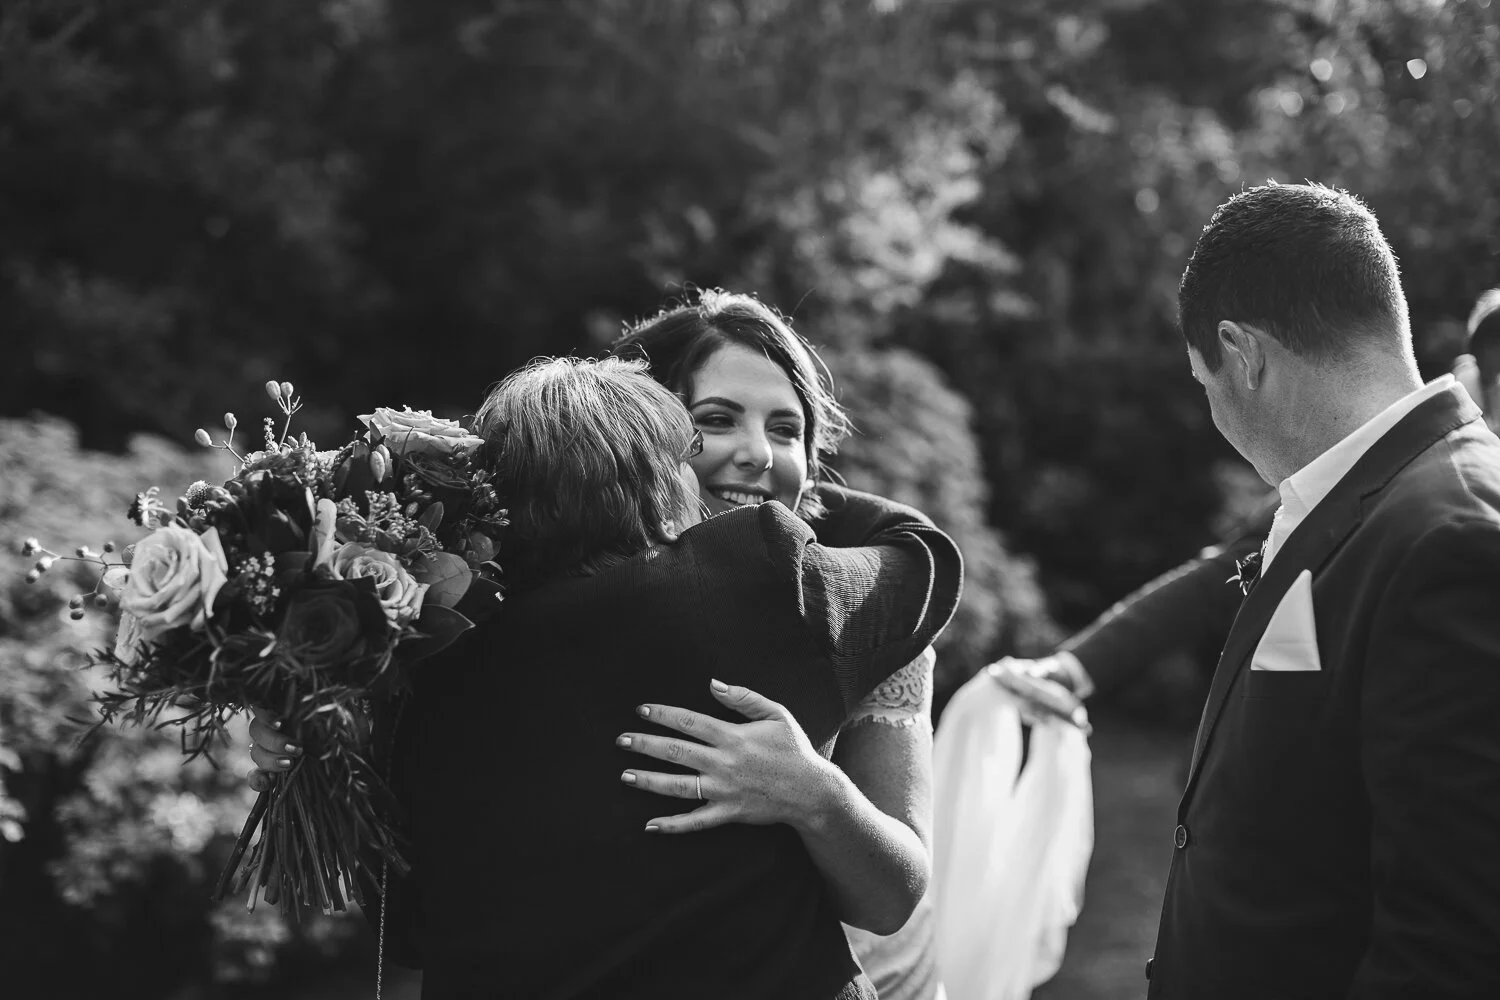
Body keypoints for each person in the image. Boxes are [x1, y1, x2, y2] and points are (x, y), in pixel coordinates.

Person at [252, 356, 962, 999]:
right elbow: (922, 555)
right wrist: (787, 481)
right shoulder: (754, 572)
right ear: (655, 474)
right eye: (696, 442)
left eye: (785, 429)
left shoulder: (421, 663)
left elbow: (408, 927)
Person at [1144, 182, 1500, 998]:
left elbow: (1454, 945)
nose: (1214, 412)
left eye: (1204, 383)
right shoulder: (1370, 494)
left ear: (1243, 354)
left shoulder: (1454, 539)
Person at [606, 290, 945, 1000]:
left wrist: (812, 792)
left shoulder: (871, 621)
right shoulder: (557, 594)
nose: (759, 453)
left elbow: (892, 899)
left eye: (786, 430)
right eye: (716, 420)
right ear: (634, 431)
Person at [996, 286, 1500, 724]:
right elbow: (1220, 573)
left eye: (1479, 366)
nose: (1466, 375)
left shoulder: (1455, 531)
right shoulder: (1356, 473)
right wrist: (1076, 667)